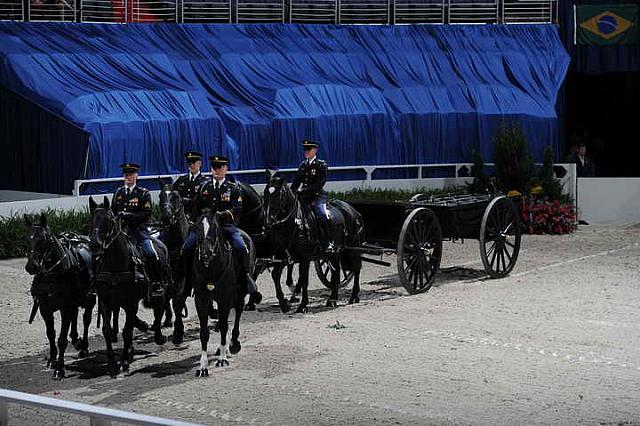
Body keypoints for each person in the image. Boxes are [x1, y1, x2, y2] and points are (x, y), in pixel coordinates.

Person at [183, 155, 262, 303]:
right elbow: (196, 207)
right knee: (186, 247)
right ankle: (187, 281)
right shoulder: (204, 187)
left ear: (226, 169)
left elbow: (237, 208)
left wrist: (223, 214)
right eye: (214, 168)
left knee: (242, 246)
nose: (217, 171)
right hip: (206, 227)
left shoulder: (233, 188)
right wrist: (194, 222)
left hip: (226, 226)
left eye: (220, 168)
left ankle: (246, 278)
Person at [112, 162, 167, 289]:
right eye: (126, 174)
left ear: (136, 175)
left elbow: (146, 214)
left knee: (151, 253)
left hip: (138, 231)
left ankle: (157, 282)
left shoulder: (143, 193)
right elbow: (113, 212)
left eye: (130, 174)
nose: (128, 177)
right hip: (121, 232)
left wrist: (128, 215)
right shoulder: (118, 193)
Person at [290, 139, 333, 253]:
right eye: (305, 149)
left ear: (315, 150)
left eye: (308, 149)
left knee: (322, 214)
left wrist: (303, 190)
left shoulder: (321, 165)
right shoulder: (303, 165)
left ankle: (329, 241)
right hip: (304, 197)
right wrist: (291, 193)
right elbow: (296, 183)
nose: (306, 152)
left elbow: (319, 183)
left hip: (317, 196)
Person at [172, 151, 209, 224]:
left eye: (194, 163)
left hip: (197, 217)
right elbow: (172, 194)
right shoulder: (181, 180)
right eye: (189, 163)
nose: (191, 165)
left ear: (199, 164)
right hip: (181, 216)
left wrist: (189, 201)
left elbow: (205, 202)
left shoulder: (205, 182)